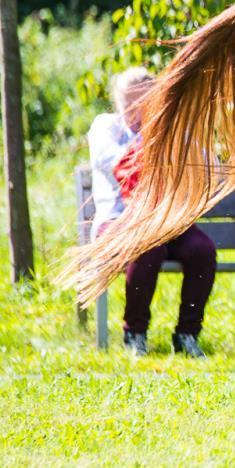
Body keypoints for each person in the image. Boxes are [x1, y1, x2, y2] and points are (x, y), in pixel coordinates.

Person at [86, 67, 216, 358]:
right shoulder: (106, 127)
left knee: (202, 250)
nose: (139, 111)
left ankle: (187, 334)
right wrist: (159, 139)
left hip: (165, 221)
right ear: (120, 102)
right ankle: (135, 333)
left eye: (147, 102)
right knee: (148, 250)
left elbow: (199, 159)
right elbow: (120, 164)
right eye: (132, 103)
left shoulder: (170, 126)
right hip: (119, 222)